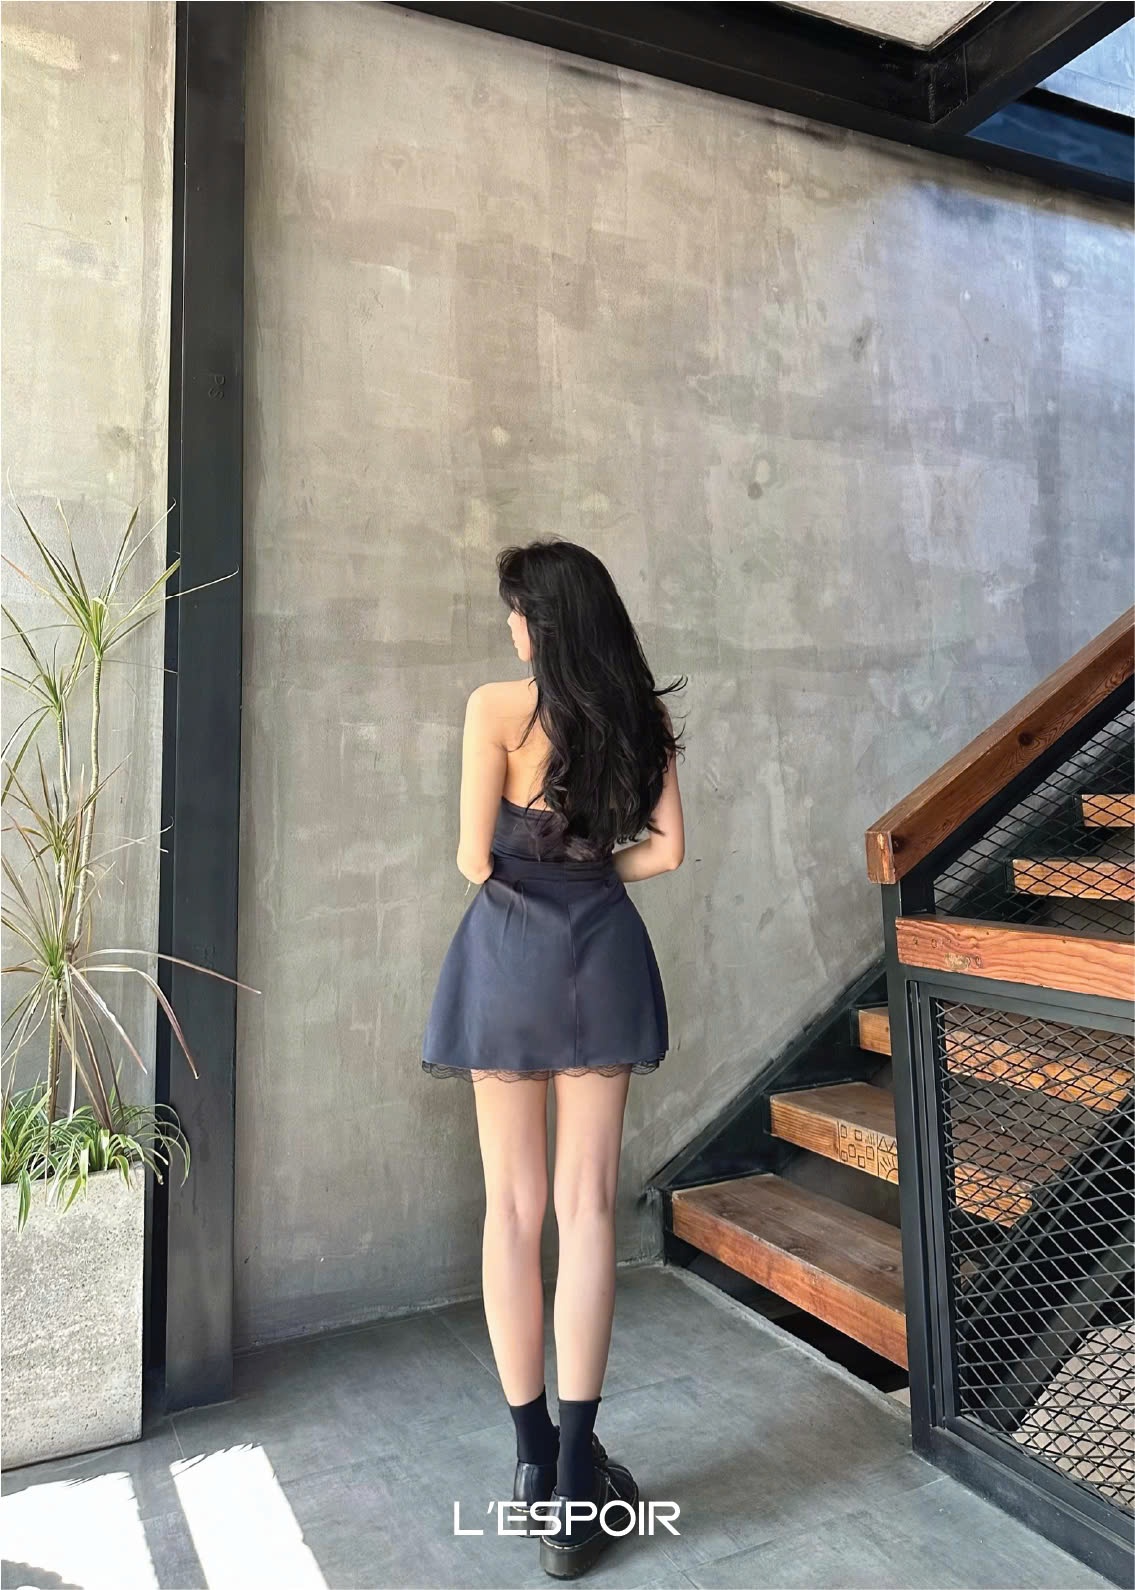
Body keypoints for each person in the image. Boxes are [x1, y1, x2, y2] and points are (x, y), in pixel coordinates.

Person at [422, 536, 686, 1578]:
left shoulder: (495, 708)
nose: (509, 627)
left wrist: (530, 858)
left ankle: (533, 1461)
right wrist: (593, 868)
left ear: (542, 622)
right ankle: (579, 1482)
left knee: (513, 1210)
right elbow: (665, 850)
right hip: (602, 956)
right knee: (587, 1211)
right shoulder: (638, 717)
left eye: (516, 611)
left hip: (508, 960)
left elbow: (470, 858)